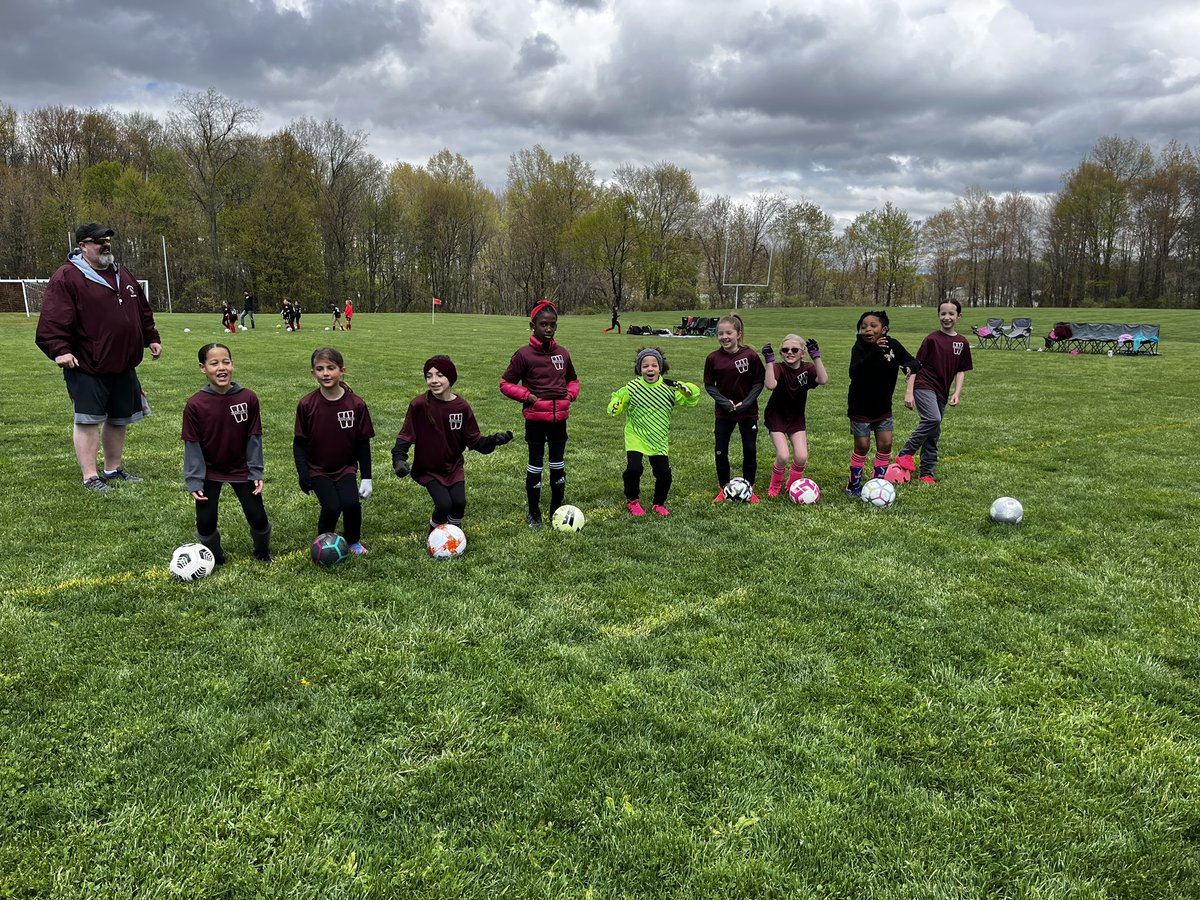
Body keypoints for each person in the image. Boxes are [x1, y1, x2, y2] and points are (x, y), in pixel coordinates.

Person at [35, 222, 162, 492]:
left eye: (107, 240)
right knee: (88, 419)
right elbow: (53, 318)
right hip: (87, 364)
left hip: (123, 363)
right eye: (98, 240)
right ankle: (90, 476)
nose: (105, 244)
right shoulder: (67, 277)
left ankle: (112, 469)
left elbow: (142, 310)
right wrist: (60, 350)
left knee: (119, 418)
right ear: (83, 246)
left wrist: (151, 337)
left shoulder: (122, 273)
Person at [393, 356, 513, 535]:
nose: (433, 380)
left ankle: (453, 535)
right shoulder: (419, 405)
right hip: (428, 468)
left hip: (453, 467)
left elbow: (474, 440)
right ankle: (433, 536)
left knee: (459, 503)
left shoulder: (461, 407)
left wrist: (494, 440)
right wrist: (399, 459)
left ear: (451, 378)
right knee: (443, 505)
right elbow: (406, 435)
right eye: (429, 376)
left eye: (440, 375)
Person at [182, 343, 272, 564]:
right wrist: (195, 480)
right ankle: (215, 557)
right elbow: (192, 445)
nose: (221, 368)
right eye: (214, 363)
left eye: (226, 362)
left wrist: (256, 471)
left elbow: (254, 438)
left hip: (241, 469)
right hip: (209, 472)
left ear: (232, 364)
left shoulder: (248, 398)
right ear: (203, 368)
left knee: (257, 516)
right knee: (205, 521)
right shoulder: (195, 404)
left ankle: (262, 552)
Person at [500, 300, 580, 527]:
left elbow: (573, 380)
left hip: (559, 420)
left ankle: (557, 509)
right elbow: (505, 383)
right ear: (532, 325)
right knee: (535, 465)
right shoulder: (524, 355)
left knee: (558, 465)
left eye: (552, 325)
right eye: (543, 324)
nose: (548, 329)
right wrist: (528, 397)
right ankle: (534, 512)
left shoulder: (562, 354)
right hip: (535, 420)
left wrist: (570, 396)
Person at [294, 347, 375, 555]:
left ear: (342, 370)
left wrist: (366, 477)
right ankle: (322, 543)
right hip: (318, 469)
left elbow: (362, 443)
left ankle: (353, 541)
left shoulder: (356, 404)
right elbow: (299, 443)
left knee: (350, 504)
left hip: (345, 467)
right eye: (319, 369)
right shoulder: (306, 404)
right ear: (313, 373)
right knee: (331, 506)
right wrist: (303, 474)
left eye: (331, 368)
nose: (326, 373)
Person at [887, 300, 973, 485]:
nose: (947, 317)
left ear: (959, 316)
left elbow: (960, 370)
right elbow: (914, 365)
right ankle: (906, 453)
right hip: (924, 384)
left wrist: (957, 392)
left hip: (942, 390)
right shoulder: (932, 339)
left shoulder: (962, 342)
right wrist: (909, 392)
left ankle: (927, 473)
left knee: (934, 432)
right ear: (938, 315)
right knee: (933, 419)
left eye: (951, 314)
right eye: (943, 313)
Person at [607, 347, 699, 516]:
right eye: (645, 366)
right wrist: (616, 405)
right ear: (639, 369)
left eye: (654, 365)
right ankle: (632, 500)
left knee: (664, 473)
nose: (650, 369)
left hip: (658, 438)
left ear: (660, 367)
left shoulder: (669, 387)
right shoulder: (632, 387)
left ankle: (659, 503)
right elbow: (616, 401)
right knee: (634, 469)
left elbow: (691, 401)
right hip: (636, 435)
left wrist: (688, 390)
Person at [845, 310, 919, 496]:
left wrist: (909, 368)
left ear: (884, 329)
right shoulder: (860, 347)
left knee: (885, 444)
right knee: (862, 446)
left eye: (873, 326)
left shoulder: (893, 345)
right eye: (863, 327)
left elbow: (913, 362)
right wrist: (875, 350)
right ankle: (853, 484)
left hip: (883, 407)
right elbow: (855, 373)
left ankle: (878, 482)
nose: (867, 330)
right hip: (860, 406)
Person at [703, 313, 765, 502]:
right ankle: (723, 488)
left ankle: (749, 488)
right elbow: (709, 385)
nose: (724, 337)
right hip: (724, 413)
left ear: (738, 334)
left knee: (750, 450)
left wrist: (746, 403)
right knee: (720, 449)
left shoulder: (751, 355)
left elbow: (758, 382)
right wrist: (724, 402)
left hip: (748, 413)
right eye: (720, 333)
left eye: (728, 332)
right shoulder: (713, 358)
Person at [761, 333, 829, 497]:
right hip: (776, 416)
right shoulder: (778, 367)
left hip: (796, 418)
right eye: (785, 350)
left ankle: (792, 484)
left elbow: (823, 379)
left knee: (801, 457)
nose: (789, 352)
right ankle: (775, 484)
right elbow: (770, 385)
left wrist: (817, 357)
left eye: (794, 349)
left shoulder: (808, 368)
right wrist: (769, 362)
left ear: (802, 353)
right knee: (783, 456)